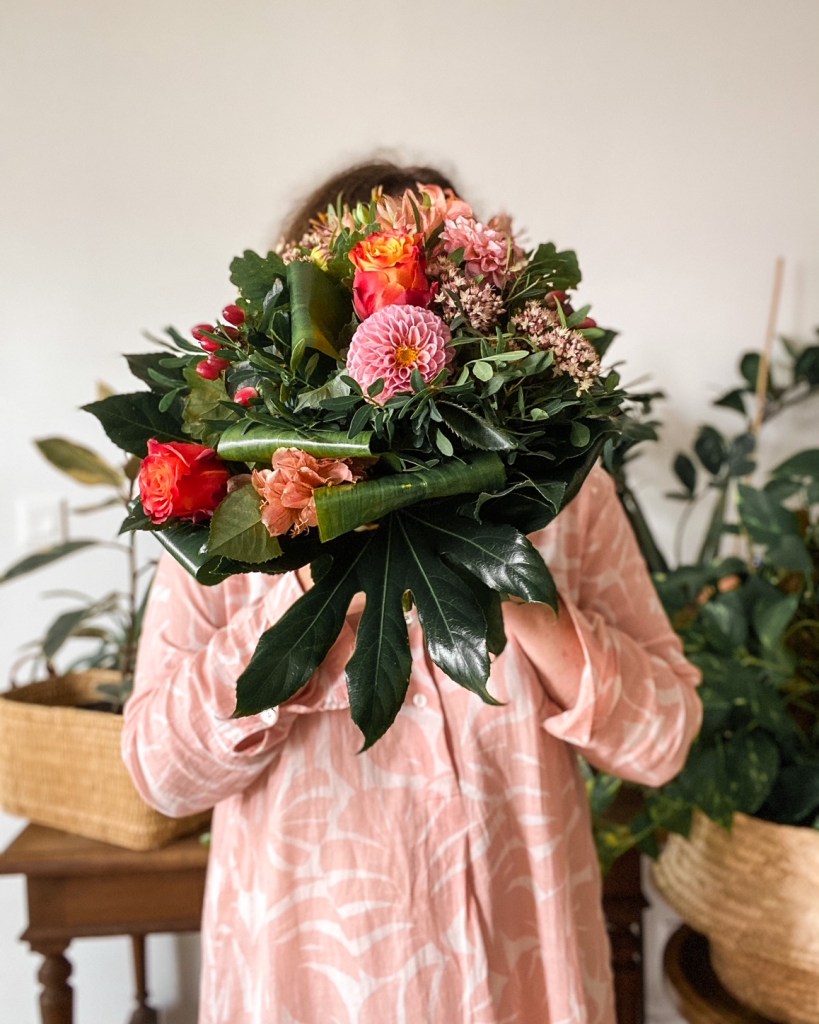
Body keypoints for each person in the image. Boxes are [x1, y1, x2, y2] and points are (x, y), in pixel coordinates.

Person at [122, 161, 703, 1024]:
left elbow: (664, 738)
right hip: (312, 982)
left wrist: (507, 582)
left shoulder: (562, 495)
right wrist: (315, 601)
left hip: (523, 977)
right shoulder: (233, 507)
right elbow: (159, 774)